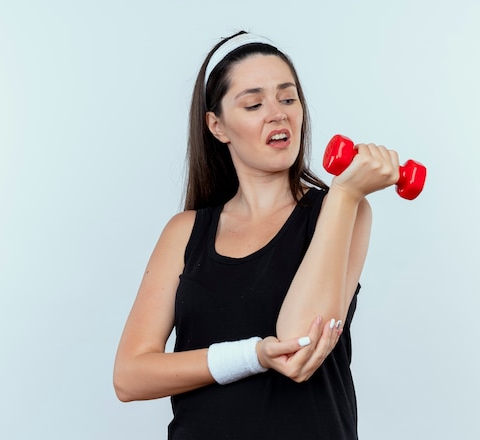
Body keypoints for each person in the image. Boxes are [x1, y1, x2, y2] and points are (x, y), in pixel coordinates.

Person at [113, 30, 399, 439]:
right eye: (253, 104)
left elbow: (300, 343)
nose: (278, 114)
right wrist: (253, 355)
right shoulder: (185, 232)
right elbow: (130, 376)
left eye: (288, 98)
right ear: (217, 126)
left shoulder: (341, 211)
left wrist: (346, 193)